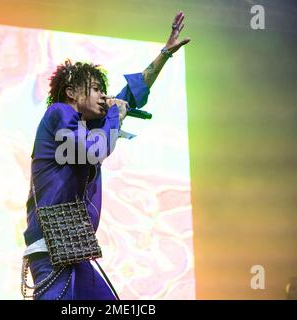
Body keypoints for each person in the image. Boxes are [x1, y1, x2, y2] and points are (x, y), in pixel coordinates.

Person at [22, 11, 191, 300]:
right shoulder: (59, 113)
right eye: (97, 89)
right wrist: (114, 115)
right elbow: (93, 152)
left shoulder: (87, 125)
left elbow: (131, 93)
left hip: (74, 248)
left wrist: (164, 54)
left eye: (104, 91)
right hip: (51, 247)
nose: (104, 96)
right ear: (73, 92)